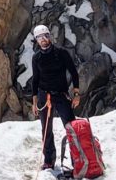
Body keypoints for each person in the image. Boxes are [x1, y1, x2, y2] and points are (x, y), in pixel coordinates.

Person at [30, 24, 80, 169]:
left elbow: (73, 72)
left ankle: (77, 158)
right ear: (37, 40)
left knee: (71, 127)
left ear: (49, 36)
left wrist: (76, 94)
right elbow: (35, 80)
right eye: (39, 38)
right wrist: (34, 102)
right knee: (46, 129)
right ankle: (49, 160)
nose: (43, 40)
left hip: (61, 94)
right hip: (44, 96)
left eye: (45, 36)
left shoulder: (61, 53)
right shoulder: (36, 58)